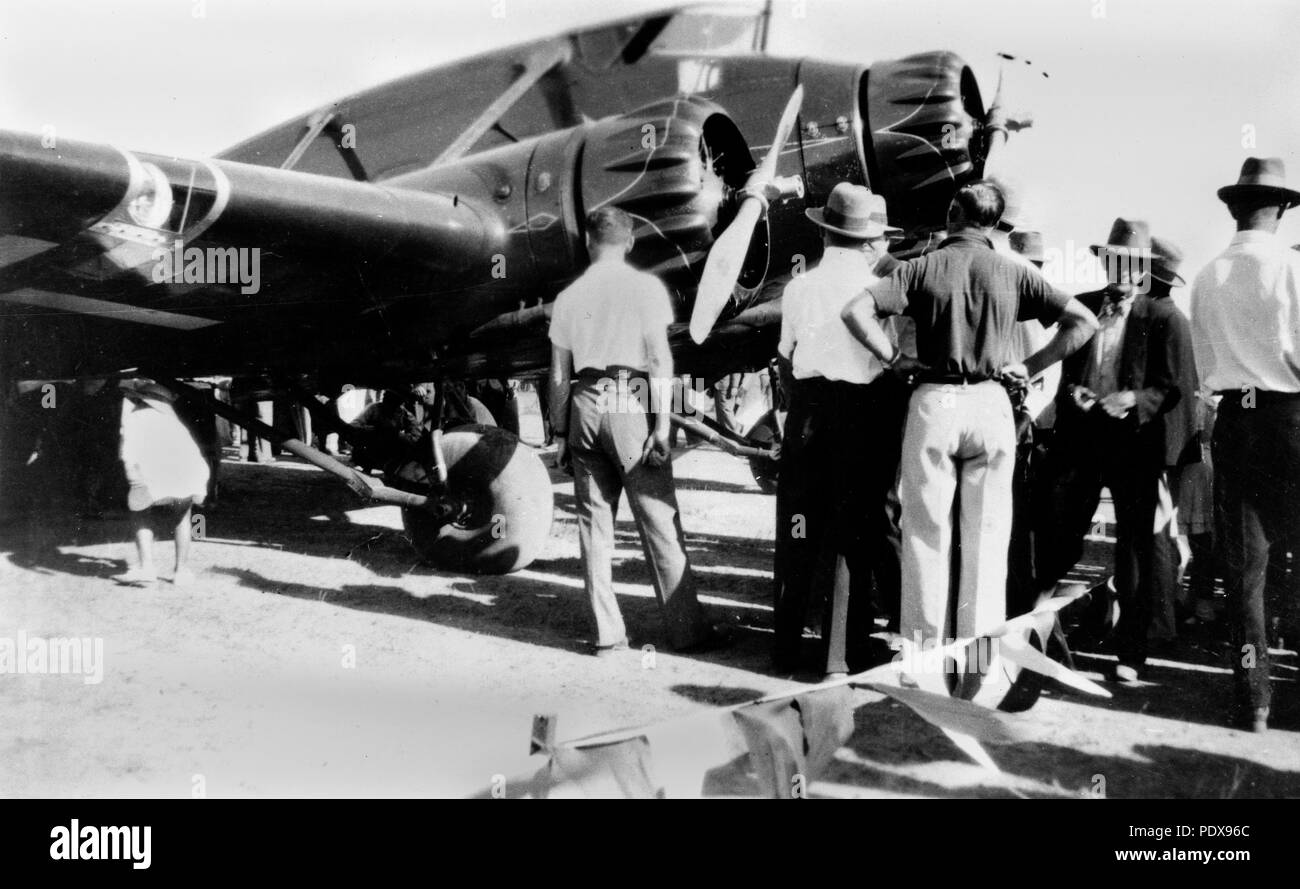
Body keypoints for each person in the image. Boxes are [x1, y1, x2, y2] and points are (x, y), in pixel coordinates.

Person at [842, 180, 1097, 695]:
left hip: (934, 398)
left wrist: (896, 359)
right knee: (985, 542)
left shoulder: (921, 266)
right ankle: (978, 671)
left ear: (953, 214)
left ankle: (924, 668)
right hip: (991, 403)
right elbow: (1082, 321)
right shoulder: (1015, 271)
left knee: (924, 538)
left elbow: (855, 311)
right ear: (992, 223)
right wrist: (1030, 366)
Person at [548, 205, 728, 656]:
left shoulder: (568, 297)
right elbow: (659, 359)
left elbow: (556, 376)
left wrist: (558, 432)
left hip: (585, 402)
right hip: (629, 400)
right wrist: (663, 425)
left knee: (593, 526)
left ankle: (607, 635)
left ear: (589, 244)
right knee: (657, 517)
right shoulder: (645, 287)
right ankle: (687, 632)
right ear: (629, 243)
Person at [1035, 220, 1197, 683]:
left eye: (1131, 264)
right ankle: (1037, 638)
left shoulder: (1166, 318)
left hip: (1134, 449)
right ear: (1105, 262)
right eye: (1114, 261)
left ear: (1144, 269)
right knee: (1058, 538)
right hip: (1080, 444)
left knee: (1134, 554)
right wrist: (1076, 396)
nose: (1121, 271)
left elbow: (1175, 388)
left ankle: (1130, 652)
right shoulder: (1083, 307)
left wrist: (1132, 400)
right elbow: (1062, 372)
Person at [772, 183, 908, 679]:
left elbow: (786, 357)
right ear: (870, 239)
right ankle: (841, 653)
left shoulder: (798, 287)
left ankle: (785, 646)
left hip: (808, 413)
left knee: (798, 526)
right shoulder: (878, 289)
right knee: (855, 529)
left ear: (825, 231)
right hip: (863, 412)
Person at [1190, 156, 1300, 732]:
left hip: (1237, 417)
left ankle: (1253, 698)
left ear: (1234, 209)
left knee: (1244, 569)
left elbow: (1206, 367)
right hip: (1289, 415)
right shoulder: (1293, 269)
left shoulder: (1207, 276)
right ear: (1281, 209)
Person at [112, 380, 210, 587]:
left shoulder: (135, 418)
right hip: (186, 475)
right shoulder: (175, 423)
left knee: (140, 514)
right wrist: (200, 485)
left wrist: (135, 483)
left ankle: (147, 567)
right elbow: (194, 455)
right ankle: (181, 571)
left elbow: (128, 453)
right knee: (182, 518)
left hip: (153, 476)